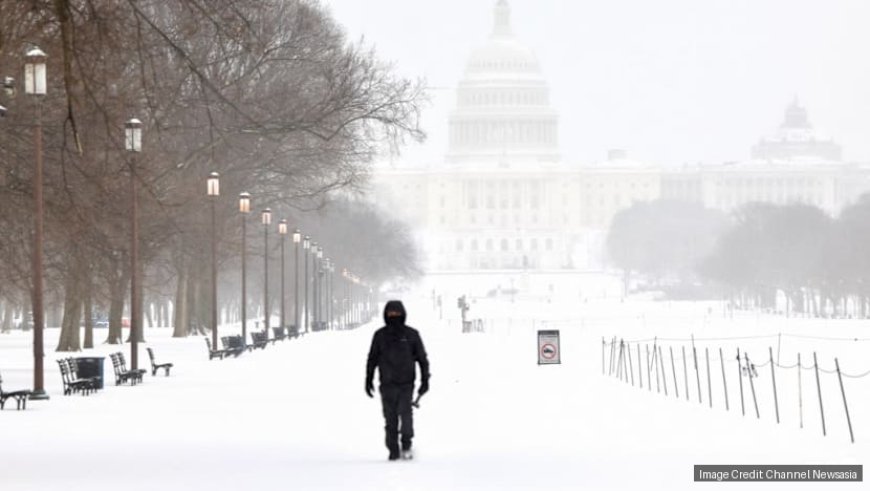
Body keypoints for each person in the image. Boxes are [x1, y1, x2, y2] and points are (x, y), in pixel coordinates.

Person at [366, 300, 430, 461]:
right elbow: (372, 358)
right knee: (390, 419)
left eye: (397, 313)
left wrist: (425, 380)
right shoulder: (380, 335)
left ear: (403, 314)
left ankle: (406, 444)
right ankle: (393, 449)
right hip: (387, 385)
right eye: (391, 313)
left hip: (406, 384)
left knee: (406, 415)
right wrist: (368, 379)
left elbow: (422, 359)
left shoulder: (411, 335)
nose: (394, 316)